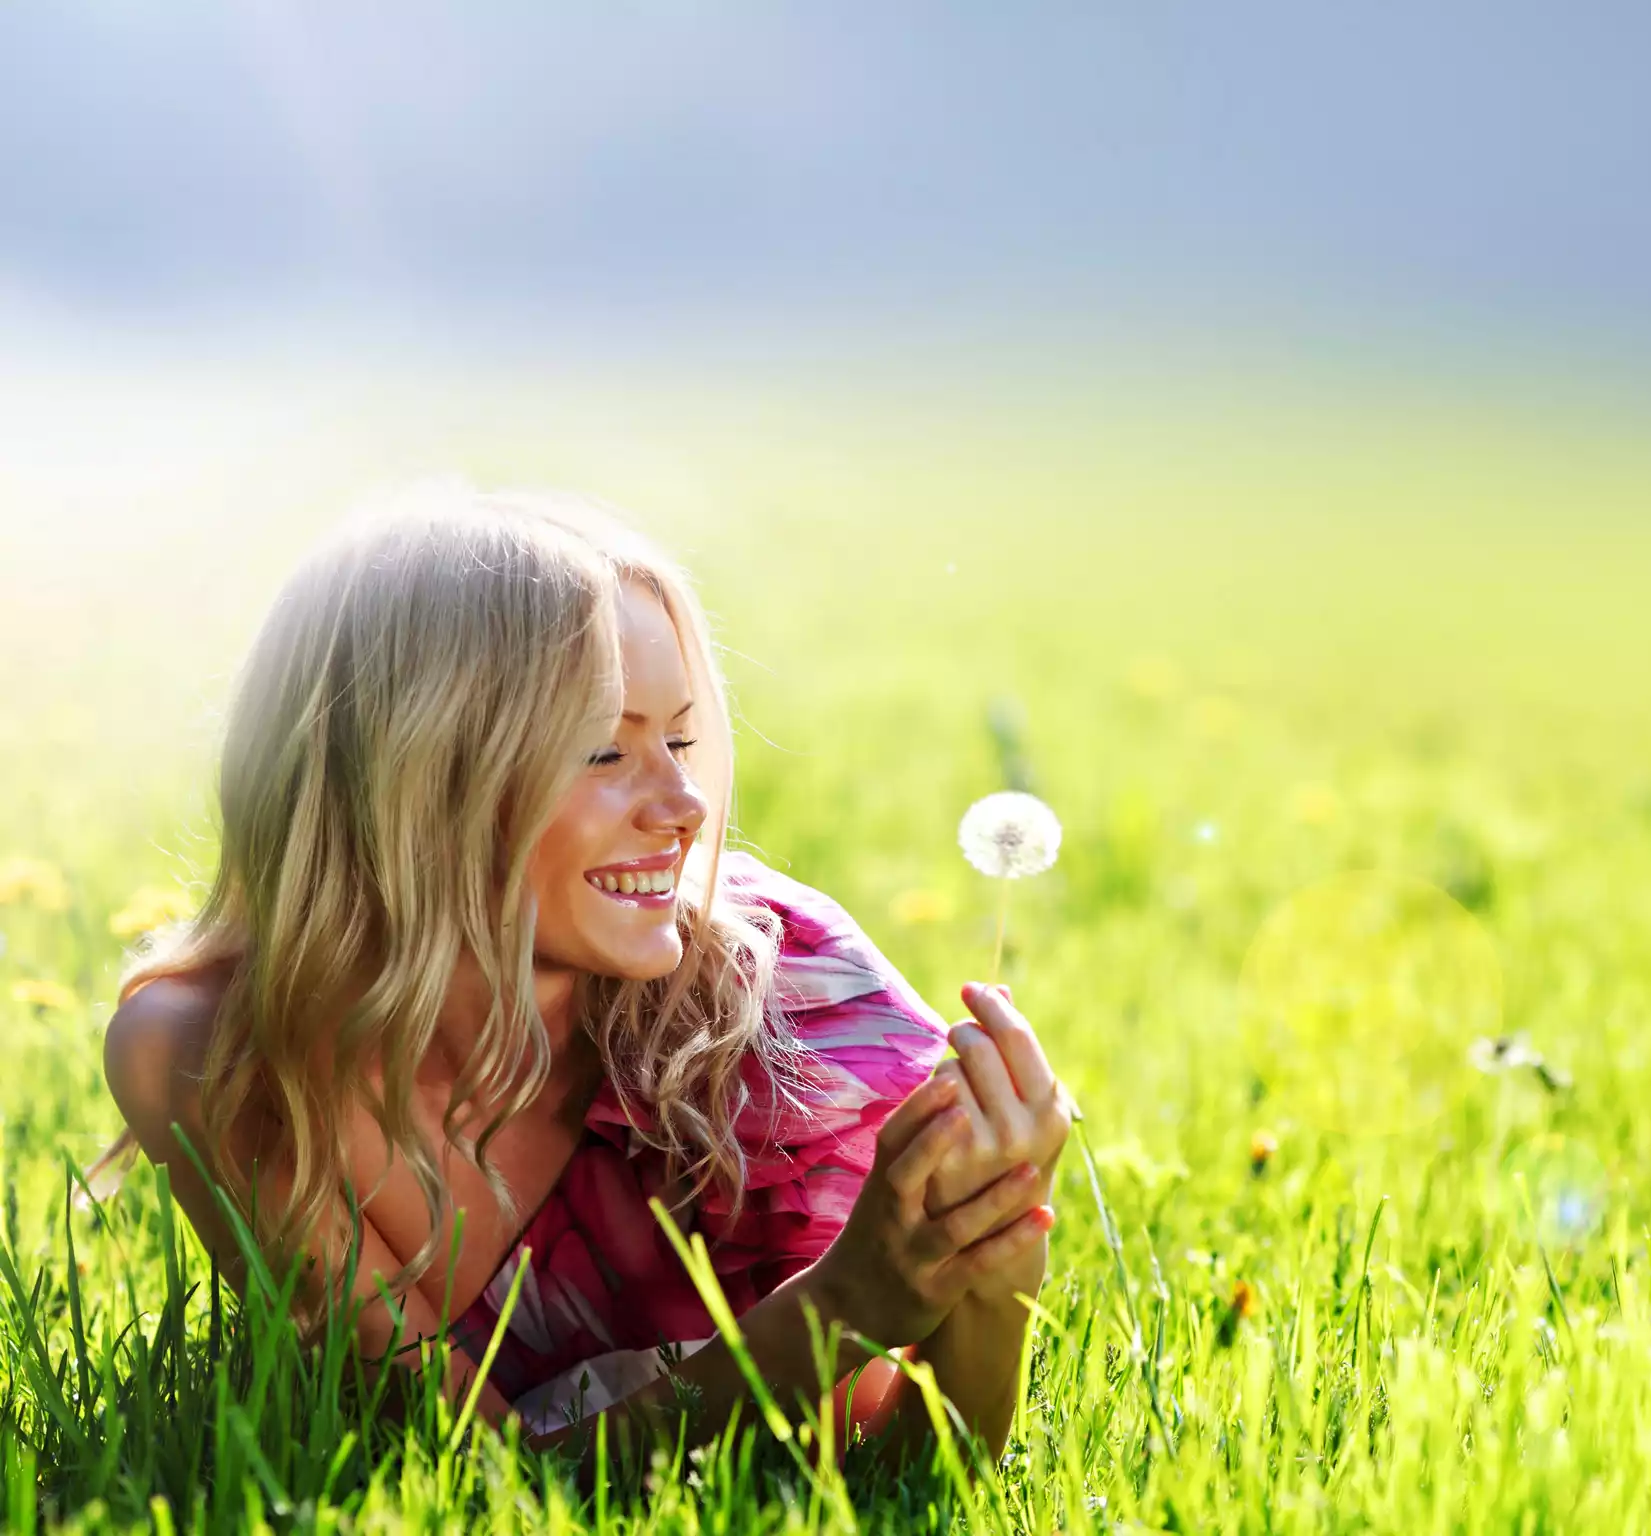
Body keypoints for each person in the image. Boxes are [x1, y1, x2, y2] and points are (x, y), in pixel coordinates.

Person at [96, 484, 1073, 1466]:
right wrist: (837, 1309)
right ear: (410, 778)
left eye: (682, 740)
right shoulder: (218, 1059)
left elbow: (903, 1477)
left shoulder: (780, 1011)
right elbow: (468, 1477)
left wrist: (993, 1271)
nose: (685, 805)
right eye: (607, 750)